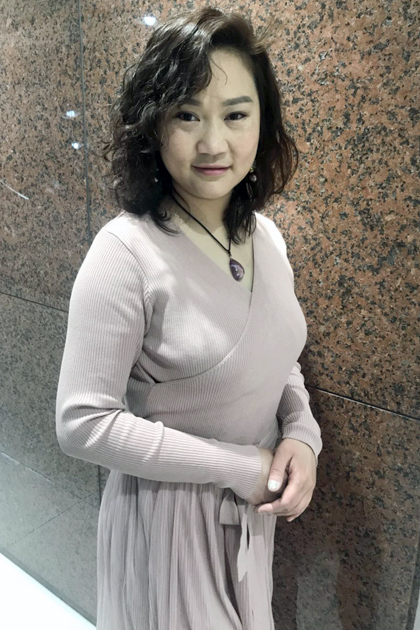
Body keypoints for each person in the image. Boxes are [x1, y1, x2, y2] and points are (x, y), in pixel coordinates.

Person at [55, 6, 322, 630]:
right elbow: (81, 423)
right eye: (187, 115)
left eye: (236, 115)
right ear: (153, 125)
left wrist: (302, 434)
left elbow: (278, 358)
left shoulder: (266, 238)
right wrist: (239, 466)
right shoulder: (125, 252)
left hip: (250, 517)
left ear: (263, 123)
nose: (213, 143)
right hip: (167, 527)